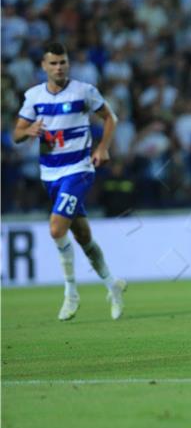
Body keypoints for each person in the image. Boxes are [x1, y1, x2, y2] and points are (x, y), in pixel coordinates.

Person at [13, 42, 127, 321]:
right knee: (83, 236)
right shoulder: (34, 96)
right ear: (43, 66)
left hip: (79, 169)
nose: (59, 67)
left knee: (55, 229)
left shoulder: (83, 91)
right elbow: (16, 134)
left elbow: (109, 117)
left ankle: (71, 293)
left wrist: (102, 148)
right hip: (49, 174)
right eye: (53, 63)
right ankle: (113, 284)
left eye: (62, 62)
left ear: (68, 64)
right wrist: (29, 129)